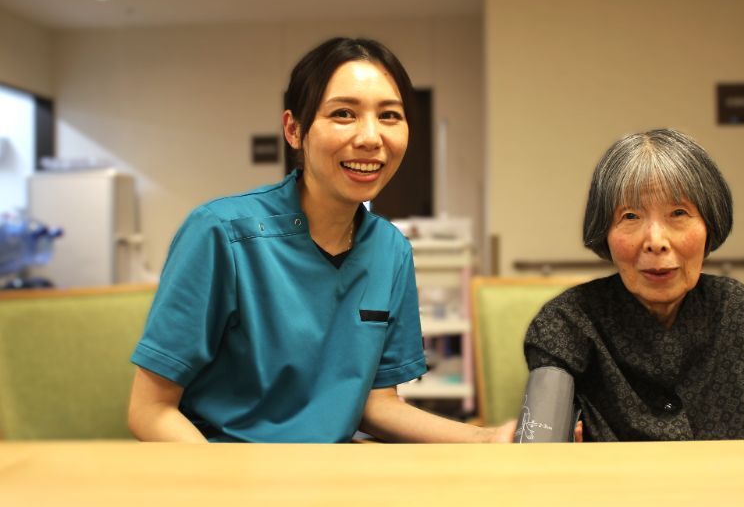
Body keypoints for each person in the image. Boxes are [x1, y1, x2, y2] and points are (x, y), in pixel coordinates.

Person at [128, 37, 514, 443]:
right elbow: (150, 410)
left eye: (389, 116)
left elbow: (376, 405)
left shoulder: (391, 249)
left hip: (333, 469)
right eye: (344, 113)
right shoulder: (221, 233)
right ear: (294, 130)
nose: (370, 138)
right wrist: (225, 480)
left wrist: (486, 440)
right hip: (229, 465)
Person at [524, 128, 744, 441]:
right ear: (604, 231)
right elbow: (538, 435)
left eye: (678, 212)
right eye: (630, 216)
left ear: (709, 224)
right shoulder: (569, 321)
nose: (656, 241)